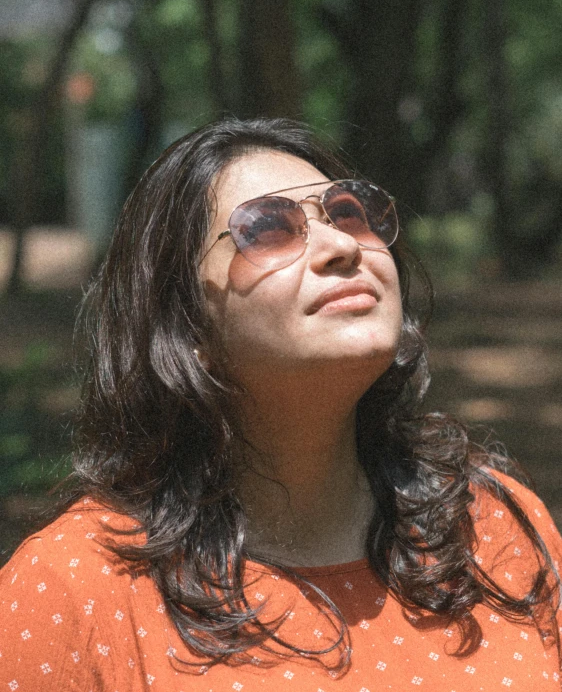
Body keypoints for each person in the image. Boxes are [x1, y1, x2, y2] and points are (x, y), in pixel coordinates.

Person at [1, 117, 561, 691]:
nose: (342, 245)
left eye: (350, 214)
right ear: (186, 325)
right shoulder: (72, 590)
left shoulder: (493, 525)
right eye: (268, 228)